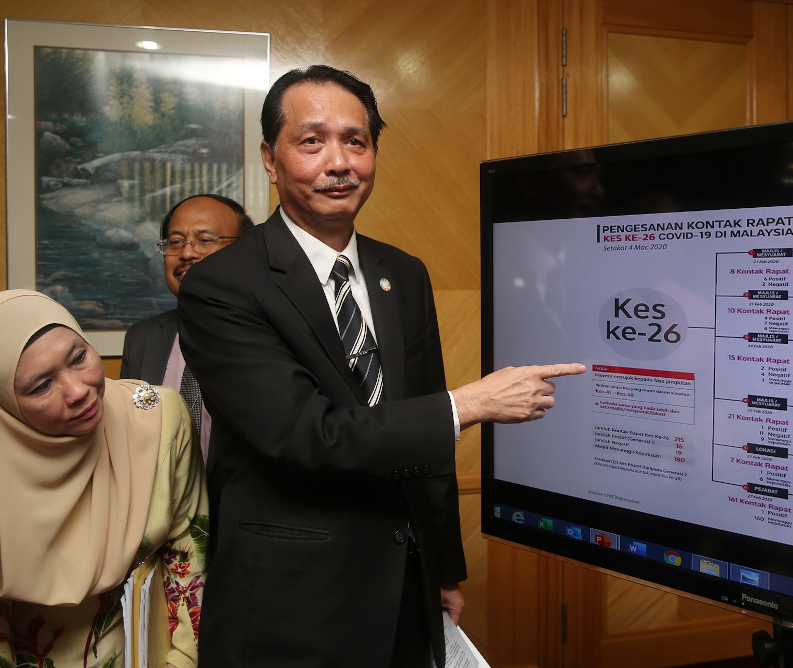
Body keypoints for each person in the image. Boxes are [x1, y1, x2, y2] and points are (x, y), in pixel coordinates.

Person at [177, 65, 585, 668]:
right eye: (312, 141)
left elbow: (425, 442)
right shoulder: (223, 285)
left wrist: (443, 567)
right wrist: (470, 403)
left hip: (404, 584)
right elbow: (303, 435)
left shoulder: (404, 273)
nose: (339, 162)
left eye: (356, 141)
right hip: (293, 603)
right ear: (270, 158)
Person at [0, 290, 208, 668]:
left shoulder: (158, 421)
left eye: (79, 358)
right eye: (42, 386)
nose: (78, 390)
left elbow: (191, 566)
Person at [121, 194, 254, 463]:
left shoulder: (275, 331)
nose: (187, 253)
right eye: (175, 242)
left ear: (246, 251)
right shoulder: (142, 338)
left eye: (205, 240)